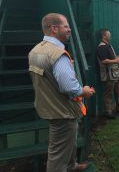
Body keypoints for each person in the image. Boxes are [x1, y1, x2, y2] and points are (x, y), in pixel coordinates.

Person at [28, 13, 95, 172]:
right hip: (62, 110)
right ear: (54, 28)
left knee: (68, 141)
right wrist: (83, 91)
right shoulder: (58, 54)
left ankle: (72, 166)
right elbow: (69, 87)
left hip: (49, 107)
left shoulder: (35, 51)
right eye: (66, 26)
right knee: (57, 155)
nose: (69, 29)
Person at [96, 29, 119, 119]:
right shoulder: (101, 47)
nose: (110, 35)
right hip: (109, 73)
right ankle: (108, 112)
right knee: (108, 93)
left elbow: (113, 58)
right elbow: (104, 60)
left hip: (116, 72)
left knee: (118, 91)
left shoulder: (109, 46)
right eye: (108, 34)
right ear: (104, 36)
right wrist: (116, 60)